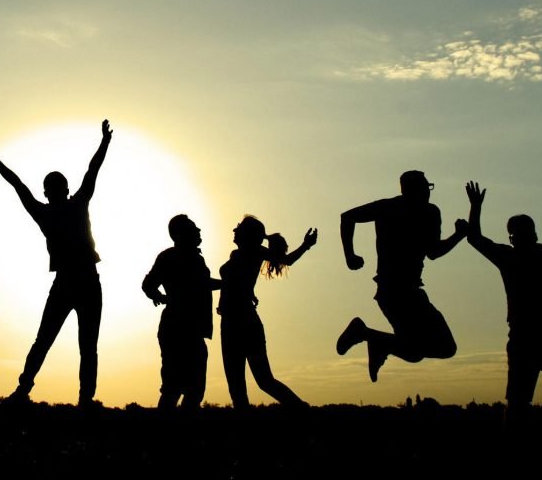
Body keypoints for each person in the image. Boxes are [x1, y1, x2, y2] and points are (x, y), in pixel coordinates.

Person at [0, 119, 112, 406]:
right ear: (61, 190)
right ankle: (44, 393)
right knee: (69, 344)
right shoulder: (66, 207)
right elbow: (90, 171)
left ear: (53, 191)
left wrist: (104, 142)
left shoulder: (56, 209)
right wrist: (104, 142)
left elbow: (19, 184)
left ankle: (58, 395)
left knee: (65, 342)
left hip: (79, 282)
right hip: (75, 282)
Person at [336, 171, 466, 382]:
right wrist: (349, 255)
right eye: (424, 188)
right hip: (398, 293)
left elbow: (432, 251)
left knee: (414, 351)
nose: (428, 192)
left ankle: (373, 339)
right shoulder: (402, 209)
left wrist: (350, 256)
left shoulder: (421, 211)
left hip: (399, 292)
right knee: (442, 347)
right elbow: (347, 217)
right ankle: (366, 335)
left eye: (429, 187)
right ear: (409, 191)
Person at [463, 181, 542, 426]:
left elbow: (474, 238)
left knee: (520, 403)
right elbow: (475, 239)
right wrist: (475, 207)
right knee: (532, 401)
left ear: (512, 237)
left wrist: (476, 207)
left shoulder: (511, 257)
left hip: (531, 338)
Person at [219, 216, 315, 409]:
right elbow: (236, 282)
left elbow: (287, 260)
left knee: (262, 380)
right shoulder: (236, 255)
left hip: (244, 321)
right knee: (237, 385)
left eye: (238, 227)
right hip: (230, 321)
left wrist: (305, 246)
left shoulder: (255, 251)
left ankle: (301, 409)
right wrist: (248, 292)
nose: (234, 230)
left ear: (247, 235)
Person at [142, 215, 220, 411]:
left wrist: (228, 284)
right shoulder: (169, 257)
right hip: (177, 329)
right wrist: (160, 297)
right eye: (193, 227)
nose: (198, 230)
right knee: (174, 388)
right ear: (180, 234)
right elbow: (148, 284)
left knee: (191, 390)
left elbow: (203, 284)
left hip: (191, 330)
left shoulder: (195, 258)